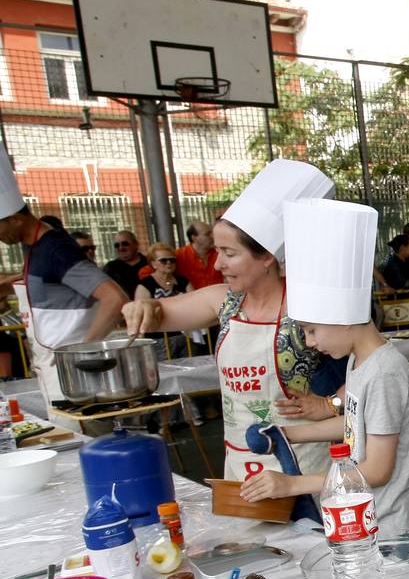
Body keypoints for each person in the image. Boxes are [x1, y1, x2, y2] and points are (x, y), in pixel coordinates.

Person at [122, 159, 342, 479]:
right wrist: (141, 307)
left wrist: (330, 404)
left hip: (303, 461)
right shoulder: (223, 301)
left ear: (267, 256)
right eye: (217, 251)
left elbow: (372, 364)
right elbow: (159, 314)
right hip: (241, 459)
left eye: (230, 253)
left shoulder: (309, 306)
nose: (217, 265)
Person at [240, 199, 409, 534]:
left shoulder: (385, 373)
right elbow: (357, 423)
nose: (310, 342)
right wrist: (288, 435)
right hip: (371, 518)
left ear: (344, 320)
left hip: (395, 527)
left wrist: (291, 484)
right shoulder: (359, 361)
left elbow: (376, 469)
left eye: (312, 331)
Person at [0, 144, 127, 422]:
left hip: (71, 370)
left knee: (84, 442)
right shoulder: (33, 247)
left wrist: (83, 350)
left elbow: (114, 298)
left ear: (15, 219)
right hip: (53, 367)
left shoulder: (55, 249)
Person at [177, 221, 224, 289]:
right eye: (207, 234)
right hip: (192, 298)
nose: (212, 236)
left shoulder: (220, 253)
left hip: (219, 296)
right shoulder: (179, 256)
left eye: (212, 233)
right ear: (194, 238)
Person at [103, 230, 149, 299]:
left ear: (136, 244)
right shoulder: (110, 268)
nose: (121, 248)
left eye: (125, 244)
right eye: (117, 245)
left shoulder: (150, 263)